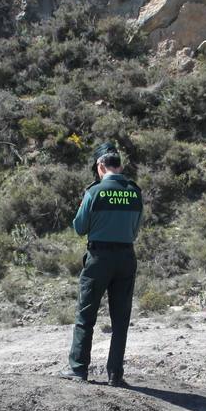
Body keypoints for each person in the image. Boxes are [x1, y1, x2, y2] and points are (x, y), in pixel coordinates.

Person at [60, 143, 143, 386]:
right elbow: (135, 229)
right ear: (120, 166)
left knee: (86, 315)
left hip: (99, 258)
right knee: (120, 319)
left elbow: (79, 227)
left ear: (100, 166)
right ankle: (115, 374)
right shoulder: (135, 191)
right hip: (126, 257)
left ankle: (78, 369)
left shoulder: (94, 192)